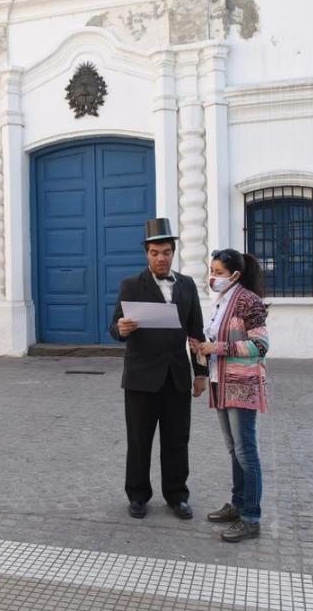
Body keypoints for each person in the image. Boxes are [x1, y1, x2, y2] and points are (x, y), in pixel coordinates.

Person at [109, 218, 208, 520]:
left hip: (177, 375)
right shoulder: (131, 285)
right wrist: (121, 329)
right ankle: (137, 495)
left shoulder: (188, 285)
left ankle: (177, 495)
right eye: (154, 253)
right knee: (139, 440)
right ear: (146, 254)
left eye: (166, 252)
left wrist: (201, 373)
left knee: (177, 439)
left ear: (173, 252)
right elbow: (114, 328)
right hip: (141, 377)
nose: (161, 258)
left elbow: (196, 332)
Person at [190, 248, 270, 543]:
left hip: (242, 385)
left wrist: (218, 348)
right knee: (234, 450)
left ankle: (251, 517)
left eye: (219, 273)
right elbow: (218, 337)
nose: (213, 278)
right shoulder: (222, 300)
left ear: (235, 275)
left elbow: (260, 346)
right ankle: (237, 505)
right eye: (211, 271)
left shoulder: (248, 301)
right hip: (220, 382)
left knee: (246, 452)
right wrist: (201, 344)